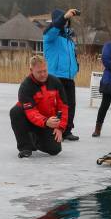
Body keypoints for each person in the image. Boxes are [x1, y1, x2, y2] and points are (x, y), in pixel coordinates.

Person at [9, 55, 69, 158]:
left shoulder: (55, 82)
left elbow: (63, 106)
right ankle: (25, 147)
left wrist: (60, 127)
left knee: (55, 150)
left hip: (47, 122)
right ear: (31, 70)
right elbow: (31, 112)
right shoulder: (26, 86)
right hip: (32, 120)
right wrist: (46, 122)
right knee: (16, 111)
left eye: (44, 71)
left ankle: (34, 139)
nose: (43, 74)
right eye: (39, 72)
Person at [43, 8, 80, 141]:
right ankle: (53, 130)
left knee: (70, 105)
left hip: (69, 77)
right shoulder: (50, 34)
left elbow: (72, 56)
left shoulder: (69, 38)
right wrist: (64, 17)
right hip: (55, 76)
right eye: (64, 19)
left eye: (67, 20)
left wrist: (76, 66)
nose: (65, 22)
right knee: (56, 106)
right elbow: (55, 26)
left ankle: (67, 130)